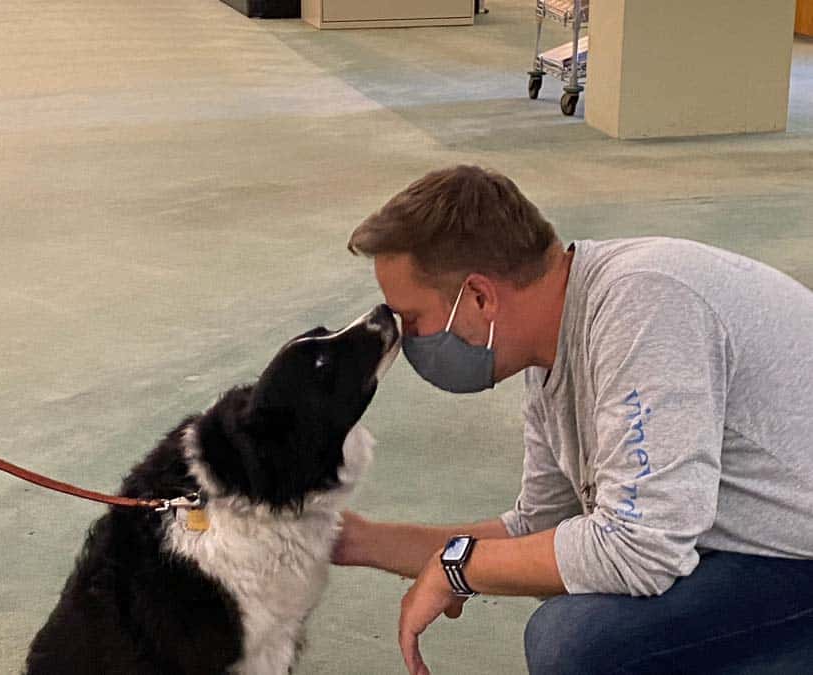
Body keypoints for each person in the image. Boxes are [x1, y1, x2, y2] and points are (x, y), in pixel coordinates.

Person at [335, 165, 813, 675]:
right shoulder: (553, 347)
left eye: (412, 319)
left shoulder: (641, 309)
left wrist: (460, 567)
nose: (409, 340)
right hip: (753, 541)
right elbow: (540, 532)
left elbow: (640, 550)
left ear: (479, 296)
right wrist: (359, 541)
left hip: (795, 553)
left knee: (580, 642)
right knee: (575, 598)